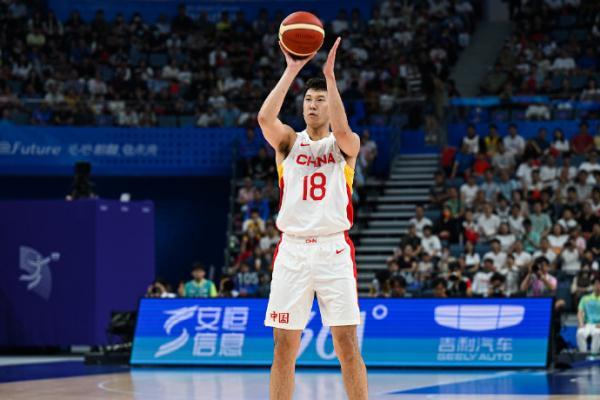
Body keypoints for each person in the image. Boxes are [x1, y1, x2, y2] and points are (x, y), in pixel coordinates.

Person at [258, 38, 367, 399]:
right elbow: (264, 118)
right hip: (292, 251)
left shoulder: (344, 145)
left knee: (347, 344)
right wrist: (292, 69)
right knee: (283, 348)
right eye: (308, 99)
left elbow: (344, 132)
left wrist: (330, 78)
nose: (313, 105)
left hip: (333, 249)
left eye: (320, 100)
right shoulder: (289, 142)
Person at [576, 275, 600, 354]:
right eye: (596, 284)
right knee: (580, 333)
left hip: (598, 325)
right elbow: (580, 312)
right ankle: (584, 355)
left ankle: (594, 355)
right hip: (587, 324)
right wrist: (581, 323)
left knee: (597, 333)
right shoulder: (585, 298)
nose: (598, 286)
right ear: (593, 286)